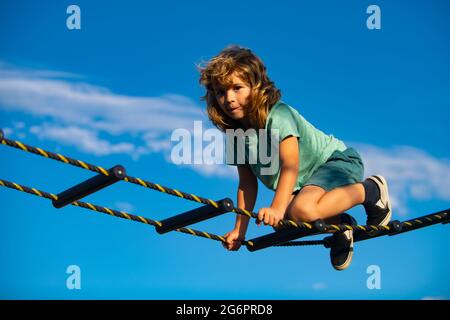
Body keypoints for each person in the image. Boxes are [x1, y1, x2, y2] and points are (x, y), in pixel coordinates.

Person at [198, 45, 392, 270]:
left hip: (335, 163)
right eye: (220, 92)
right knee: (284, 225)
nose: (228, 98)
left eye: (237, 88)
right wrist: (240, 230)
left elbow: (290, 164)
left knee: (301, 211)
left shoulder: (277, 114)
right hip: (304, 185)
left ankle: (371, 190)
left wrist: (277, 208)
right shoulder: (235, 135)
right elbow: (246, 184)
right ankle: (340, 225)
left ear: (256, 86)